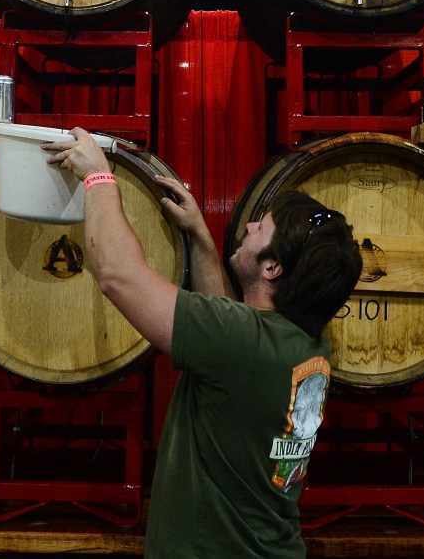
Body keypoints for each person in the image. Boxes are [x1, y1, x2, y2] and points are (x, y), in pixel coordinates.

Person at [44, 129, 363, 559]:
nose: (249, 225)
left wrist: (98, 176)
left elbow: (117, 274)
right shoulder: (305, 344)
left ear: (272, 267)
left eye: (262, 228)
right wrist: (199, 235)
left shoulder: (242, 341)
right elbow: (231, 324)